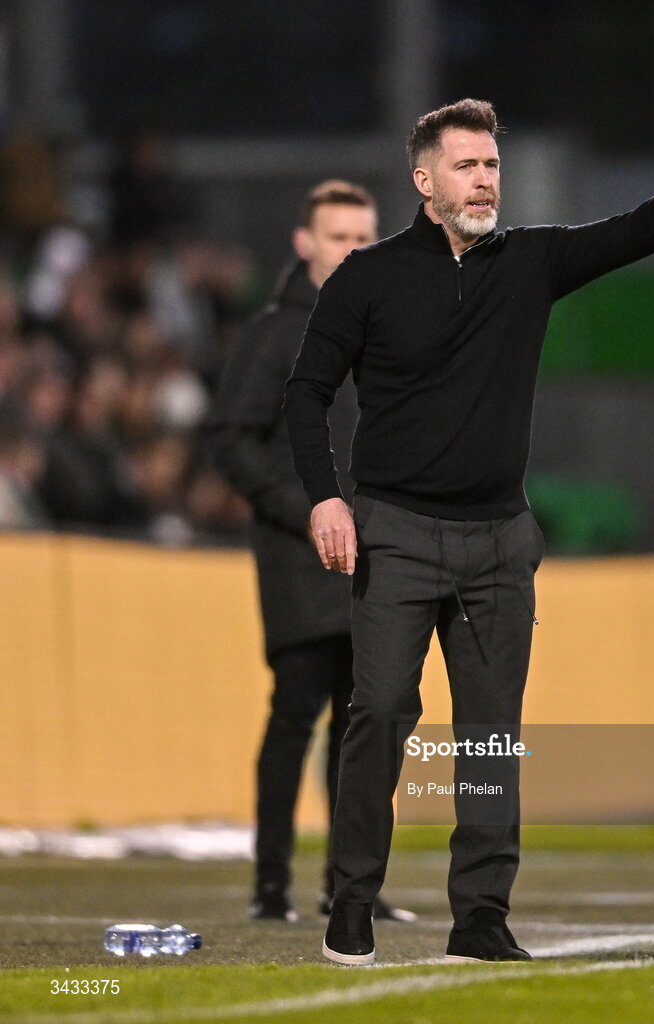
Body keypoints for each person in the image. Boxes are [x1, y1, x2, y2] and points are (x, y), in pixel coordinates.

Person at [284, 98, 654, 965]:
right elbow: (305, 393)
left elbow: (639, 229)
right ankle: (352, 900)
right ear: (424, 180)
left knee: (488, 736)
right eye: (468, 166)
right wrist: (326, 499)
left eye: (492, 166)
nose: (485, 180)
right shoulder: (366, 277)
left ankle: (480, 915)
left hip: (497, 543)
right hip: (395, 533)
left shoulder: (531, 260)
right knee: (380, 717)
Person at [208, 181, 414, 923]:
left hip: (372, 556)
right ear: (303, 244)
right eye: (338, 238)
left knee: (364, 718)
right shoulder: (276, 333)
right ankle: (270, 886)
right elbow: (230, 441)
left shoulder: (377, 327)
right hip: (301, 559)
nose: (353, 251)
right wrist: (308, 513)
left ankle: (347, 884)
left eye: (364, 238)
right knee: (296, 711)